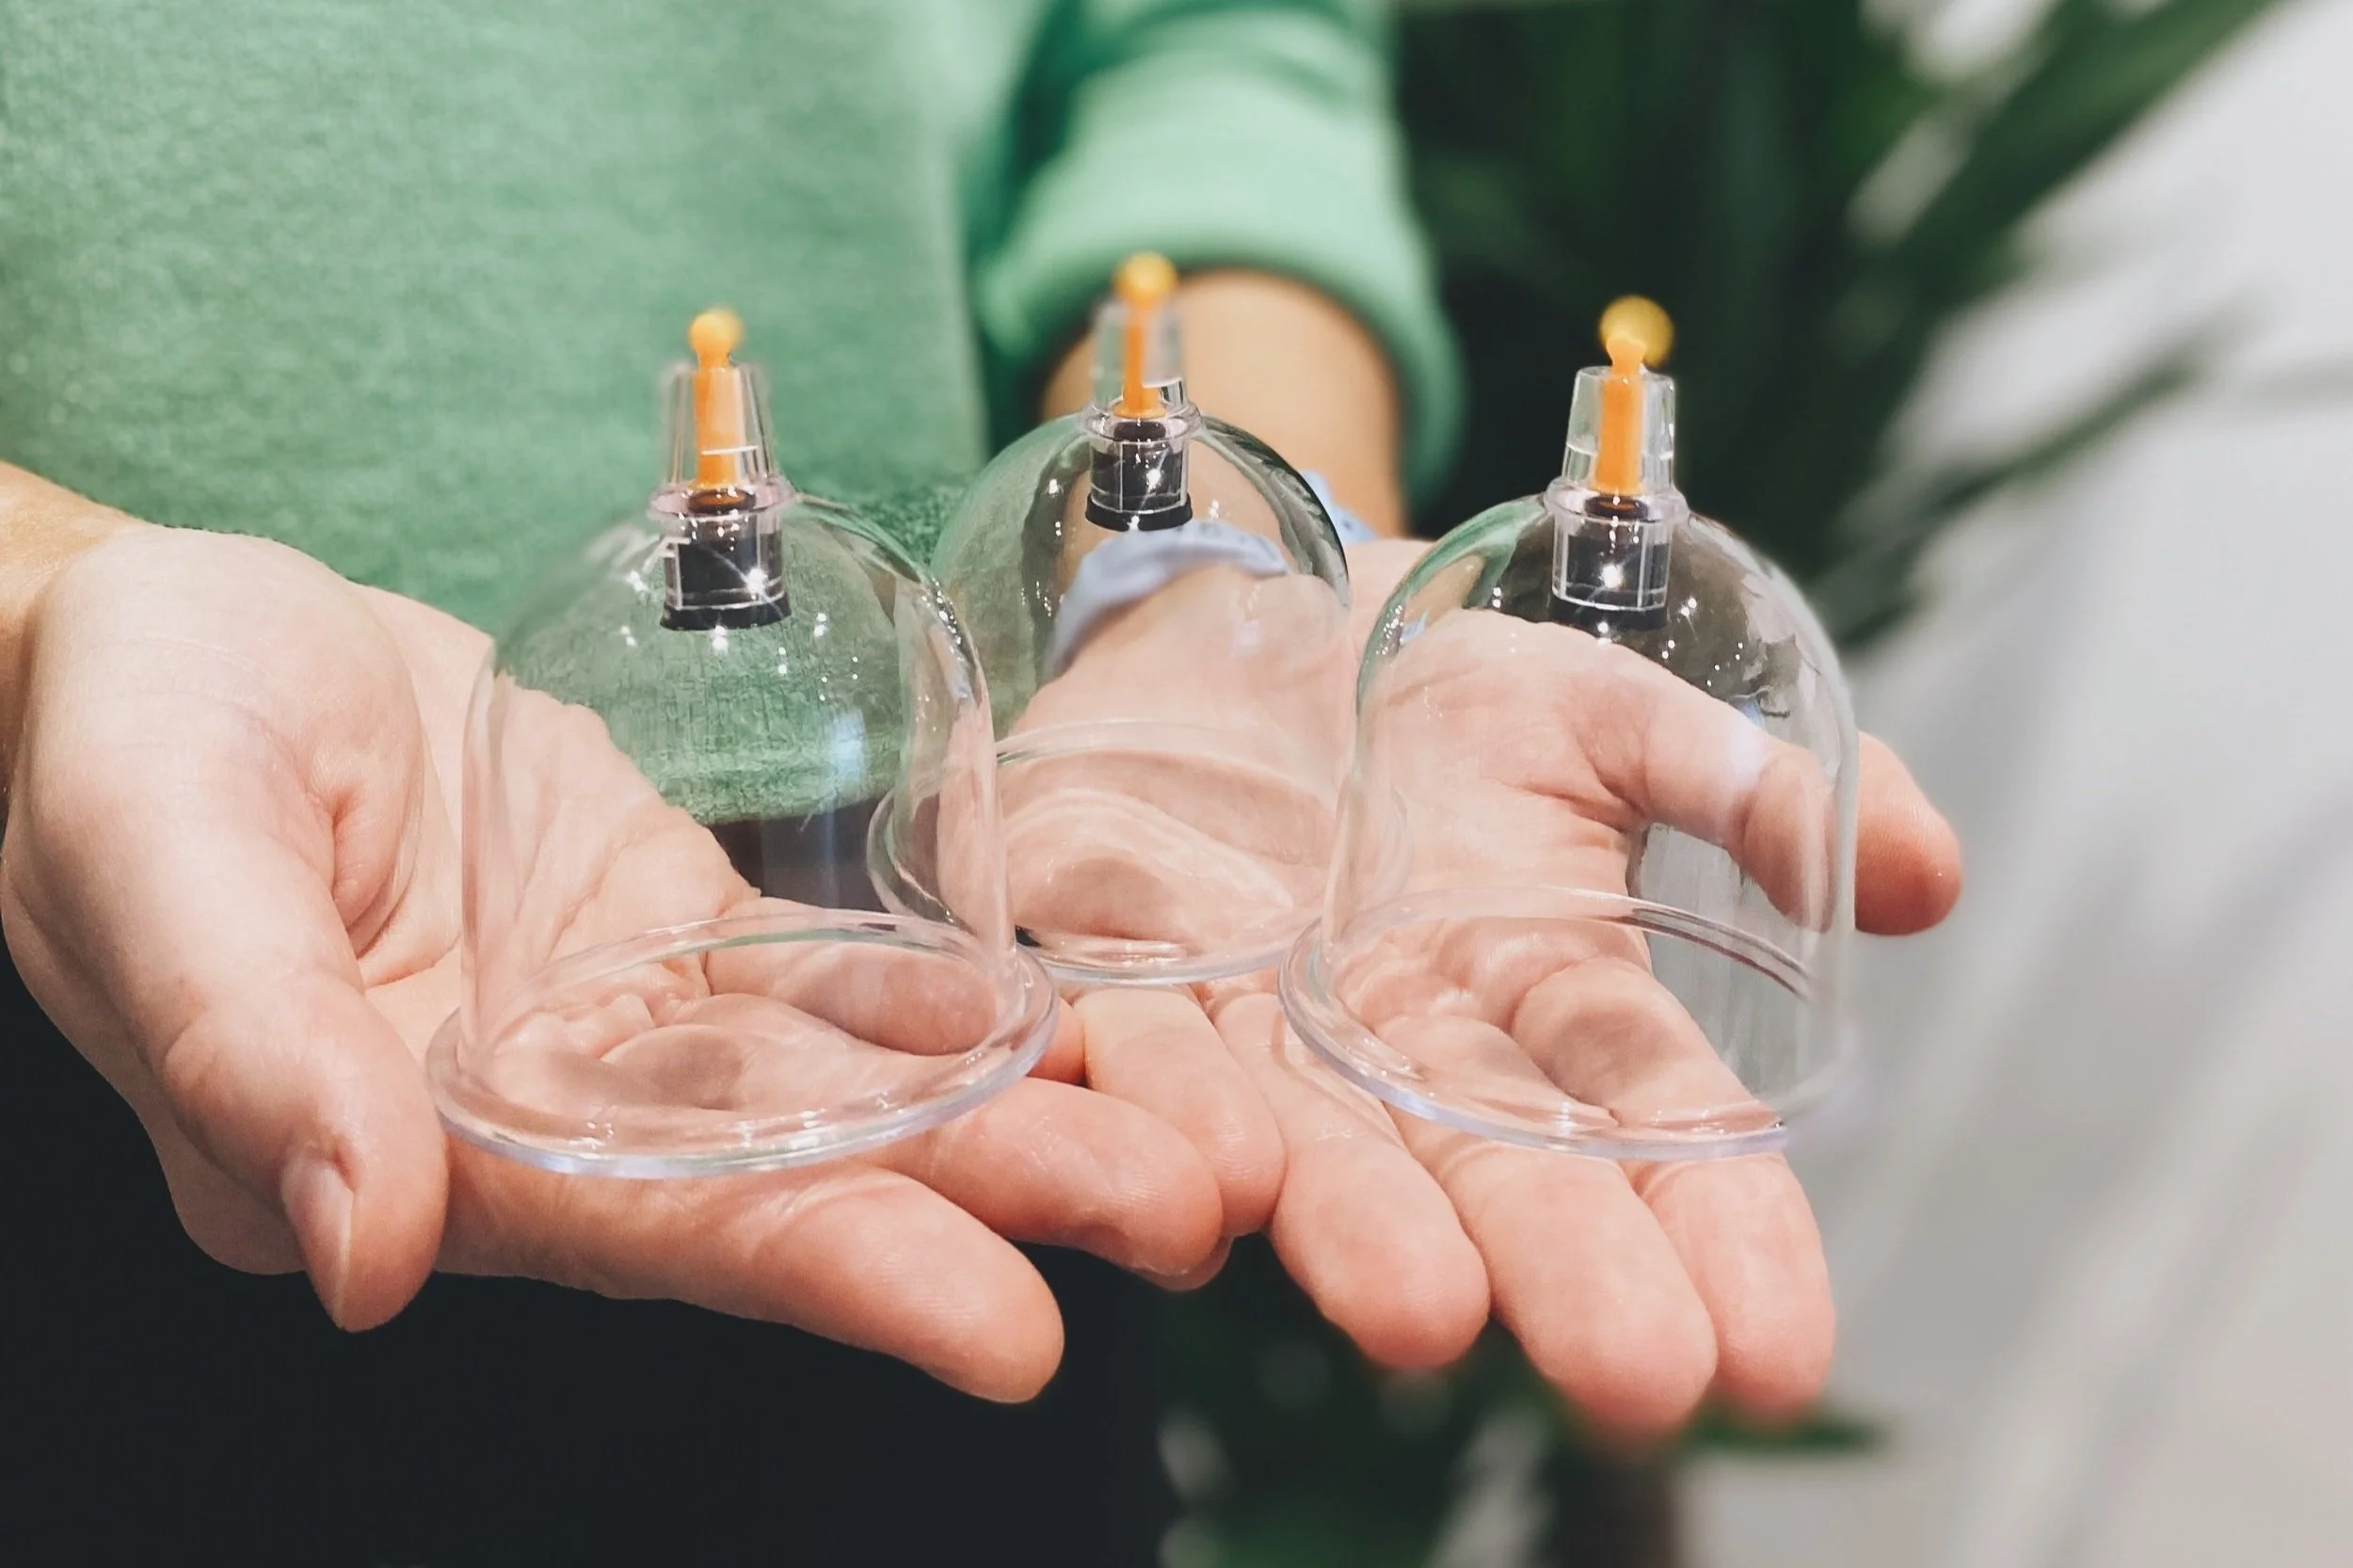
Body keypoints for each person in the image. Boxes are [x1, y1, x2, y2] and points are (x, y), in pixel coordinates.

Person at [0, 4, 1960, 1561]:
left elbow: (1201, 43)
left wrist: (1204, 586)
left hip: (989, 936)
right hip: (164, 888)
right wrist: (47, 601)